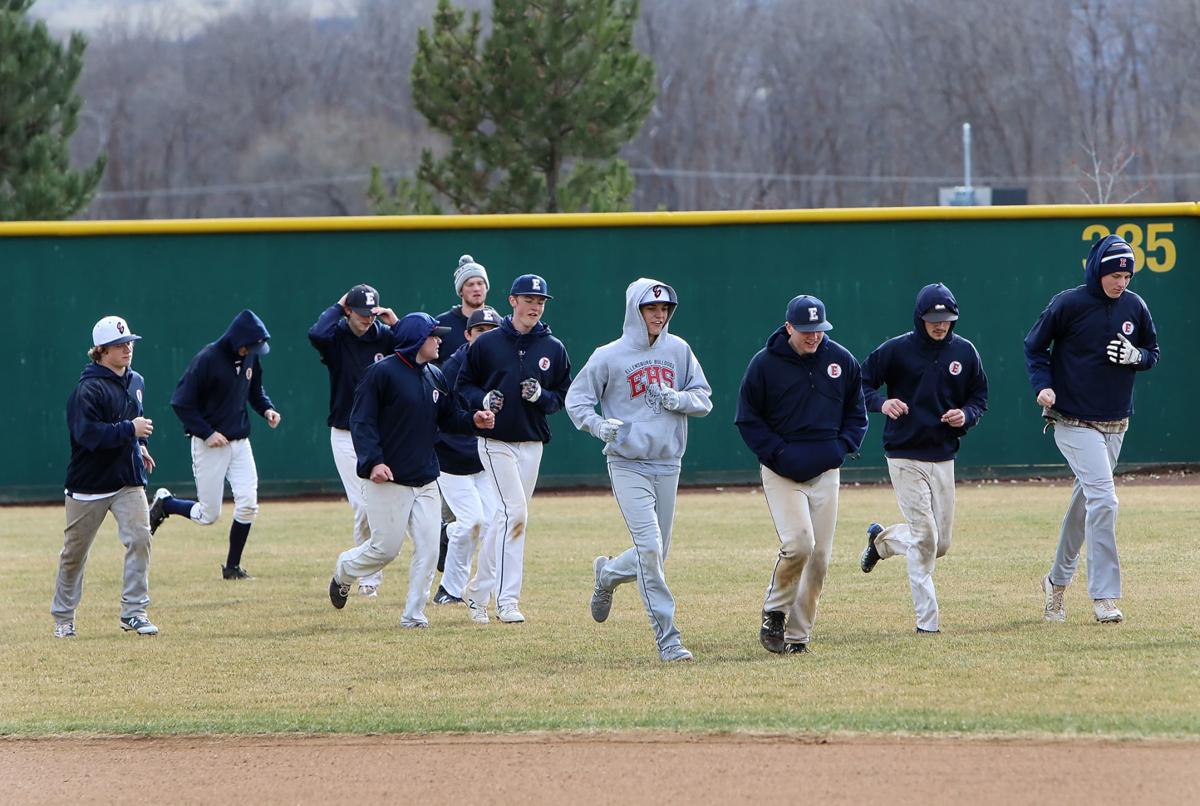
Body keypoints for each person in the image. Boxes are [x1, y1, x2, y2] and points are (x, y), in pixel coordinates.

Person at [566, 278, 712, 663]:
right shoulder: (608, 356)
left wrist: (678, 399)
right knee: (649, 548)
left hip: (668, 461)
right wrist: (597, 425)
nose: (659, 315)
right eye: (651, 308)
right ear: (635, 310)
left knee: (656, 554)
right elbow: (576, 400)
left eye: (664, 309)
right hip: (627, 463)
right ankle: (669, 640)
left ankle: (607, 575)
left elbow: (704, 399)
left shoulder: (678, 350)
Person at [328, 313, 495, 628]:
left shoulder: (435, 374)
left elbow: (448, 417)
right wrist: (374, 461)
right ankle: (344, 570)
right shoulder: (381, 373)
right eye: (434, 335)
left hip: (426, 477)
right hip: (388, 479)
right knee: (385, 550)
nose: (440, 340)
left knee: (429, 550)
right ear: (417, 339)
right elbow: (361, 422)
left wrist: (473, 420)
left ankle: (414, 615)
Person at [1024, 235, 1159, 624]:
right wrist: (1042, 386)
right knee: (1106, 499)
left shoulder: (1135, 306)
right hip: (1072, 420)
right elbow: (1034, 347)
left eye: (1127, 276)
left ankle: (1055, 583)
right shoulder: (1068, 303)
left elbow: (1153, 353)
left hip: (1115, 422)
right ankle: (1104, 596)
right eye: (1115, 274)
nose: (1121, 282)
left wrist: (1137, 356)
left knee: (1086, 504)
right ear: (1099, 270)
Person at [735, 295, 867, 655]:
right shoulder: (764, 365)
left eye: (819, 329)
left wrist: (841, 448)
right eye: (806, 329)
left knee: (820, 557)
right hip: (782, 472)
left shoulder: (841, 360)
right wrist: (778, 453)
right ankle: (775, 611)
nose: (814, 336)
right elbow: (748, 419)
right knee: (799, 544)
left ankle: (797, 637)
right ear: (789, 327)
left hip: (826, 470)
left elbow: (857, 413)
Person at [858, 283, 989, 634]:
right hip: (904, 453)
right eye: (933, 319)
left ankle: (881, 542)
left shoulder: (965, 351)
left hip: (943, 454)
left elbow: (979, 397)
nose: (940, 325)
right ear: (920, 317)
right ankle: (927, 622)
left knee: (939, 544)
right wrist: (882, 403)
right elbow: (860, 384)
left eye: (946, 319)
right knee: (926, 535)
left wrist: (966, 415)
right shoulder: (897, 350)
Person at [455, 274, 572, 625]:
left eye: (540, 301)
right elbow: (463, 386)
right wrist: (483, 400)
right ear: (512, 301)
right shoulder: (487, 343)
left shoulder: (553, 347)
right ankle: (507, 601)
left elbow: (563, 396)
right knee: (516, 514)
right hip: (495, 441)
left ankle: (476, 593)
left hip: (532, 441)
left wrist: (542, 396)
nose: (535, 306)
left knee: (504, 518)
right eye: (529, 299)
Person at [148, 310, 281, 580]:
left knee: (248, 505)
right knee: (208, 515)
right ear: (238, 341)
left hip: (240, 442)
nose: (252, 352)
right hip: (210, 445)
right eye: (250, 347)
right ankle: (166, 503)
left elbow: (255, 391)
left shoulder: (250, 356)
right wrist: (207, 433)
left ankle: (232, 568)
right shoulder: (207, 359)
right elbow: (181, 402)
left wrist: (267, 409)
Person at [52, 316, 159, 637]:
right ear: (101, 350)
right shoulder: (87, 389)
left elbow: (134, 421)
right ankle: (63, 618)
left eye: (129, 343)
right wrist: (130, 431)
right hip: (89, 485)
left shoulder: (136, 381)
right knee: (74, 554)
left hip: (127, 479)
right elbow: (87, 436)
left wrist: (140, 445)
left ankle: (134, 612)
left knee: (140, 539)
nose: (127, 349)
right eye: (119, 345)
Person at [307, 284, 398, 598]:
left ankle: (368, 571)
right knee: (362, 505)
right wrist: (339, 304)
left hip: (379, 433)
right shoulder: (337, 337)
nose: (367, 319)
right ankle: (364, 573)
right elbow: (316, 333)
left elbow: (414, 347)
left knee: (378, 503)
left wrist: (395, 323)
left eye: (371, 313)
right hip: (346, 434)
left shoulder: (384, 336)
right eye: (361, 313)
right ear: (348, 311)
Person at [432, 306, 502, 606]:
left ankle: (448, 533)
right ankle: (449, 589)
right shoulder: (452, 367)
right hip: (451, 457)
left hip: (485, 456)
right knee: (473, 522)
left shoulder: (502, 363)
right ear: (467, 335)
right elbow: (440, 415)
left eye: (492, 331)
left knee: (491, 524)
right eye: (480, 331)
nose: (486, 337)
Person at [435, 255, 490, 364]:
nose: (476, 288)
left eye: (480, 283)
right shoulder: (442, 324)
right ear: (460, 290)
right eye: (470, 284)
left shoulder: (498, 324)